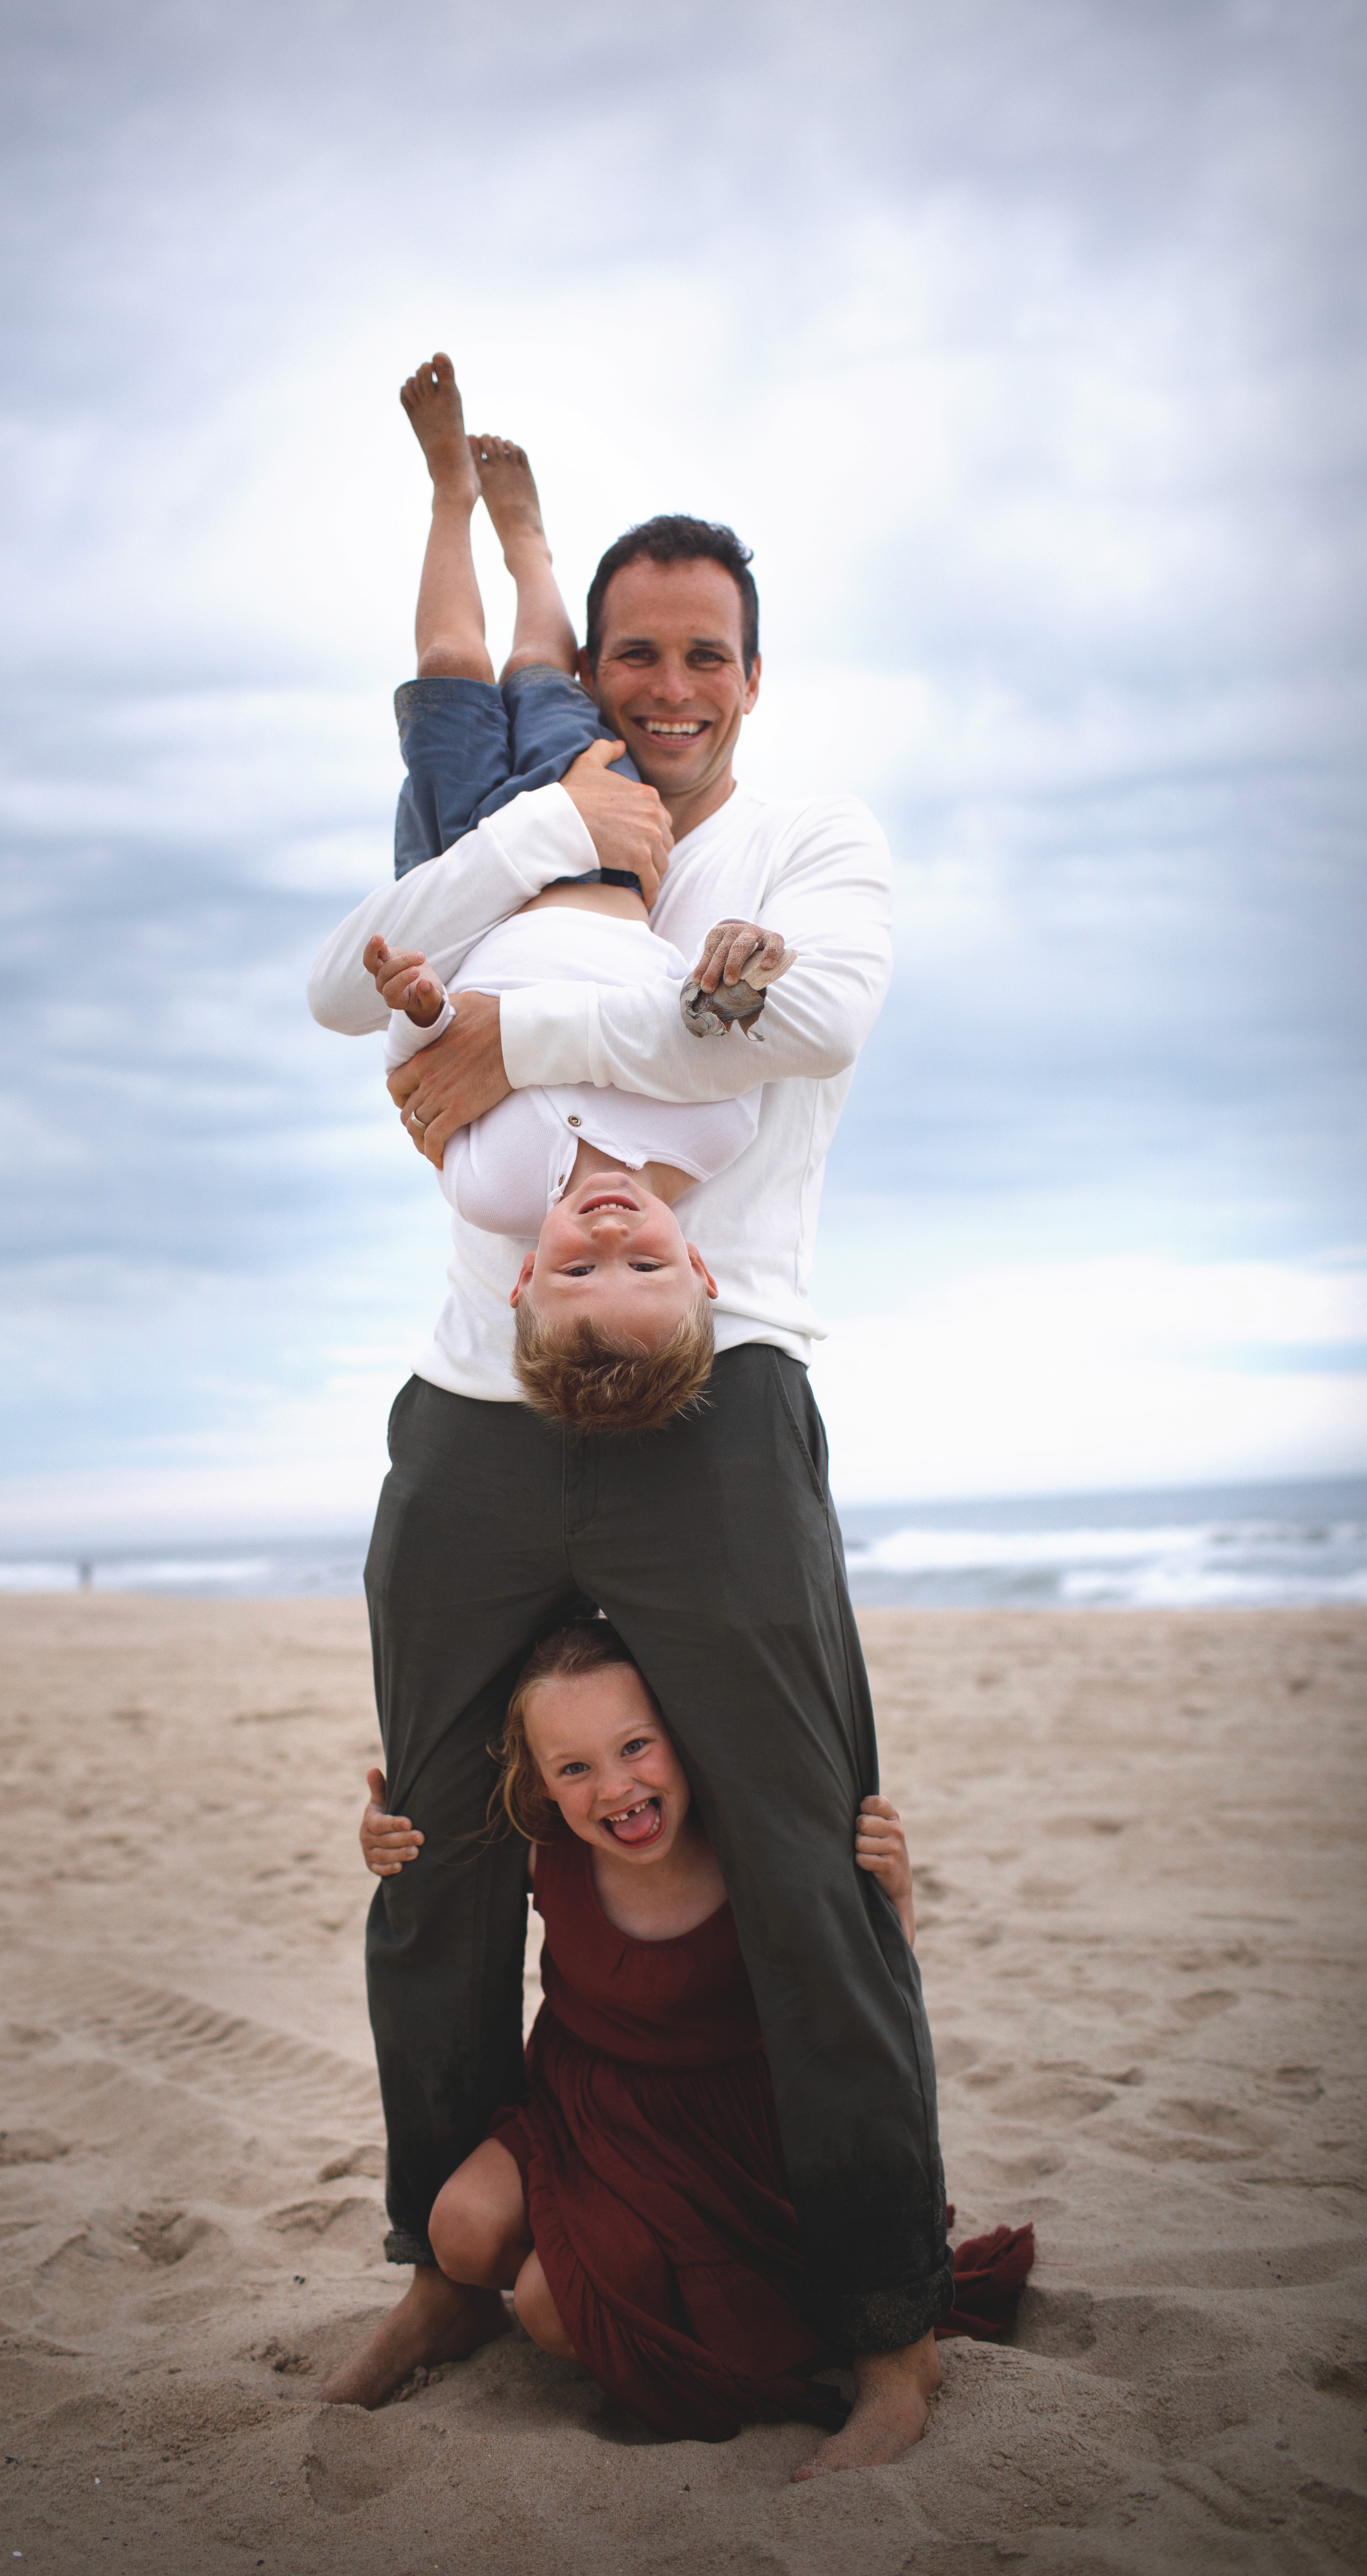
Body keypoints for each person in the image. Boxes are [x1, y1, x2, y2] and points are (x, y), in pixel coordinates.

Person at [306, 352, 938, 2473]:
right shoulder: (558, 806)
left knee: (809, 1852)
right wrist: (535, 877)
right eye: (635, 650)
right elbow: (345, 989)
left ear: (754, 668)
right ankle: (446, 2243)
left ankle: (885, 2317)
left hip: (724, 1391)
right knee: (437, 1850)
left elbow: (799, 1021)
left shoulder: (813, 835)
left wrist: (511, 1020)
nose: (669, 687)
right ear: (594, 654)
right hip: (473, 1409)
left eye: (708, 654)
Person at [357, 1621, 1033, 2464]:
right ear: (539, 1781)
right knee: (458, 2230)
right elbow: (438, 1855)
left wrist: (894, 1892)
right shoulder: (543, 1848)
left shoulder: (747, 1849)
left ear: (683, 1733)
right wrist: (384, 1833)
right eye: (573, 1768)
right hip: (585, 2113)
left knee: (549, 2311)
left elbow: (867, 1988)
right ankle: (566, 2267)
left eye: (635, 1747)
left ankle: (690, 2285)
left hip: (724, 2141)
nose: (614, 1790)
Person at [365, 354, 792, 1429]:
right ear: (699, 1265)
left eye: (575, 1278)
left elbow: (422, 1072)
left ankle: (450, 498)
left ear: (523, 1278)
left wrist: (420, 1007)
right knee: (541, 674)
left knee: (452, 659)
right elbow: (712, 1010)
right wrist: (737, 958)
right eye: (645, 1273)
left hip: (468, 870)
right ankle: (532, 553)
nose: (609, 1245)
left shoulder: (492, 1194)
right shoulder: (716, 1135)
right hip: (600, 849)